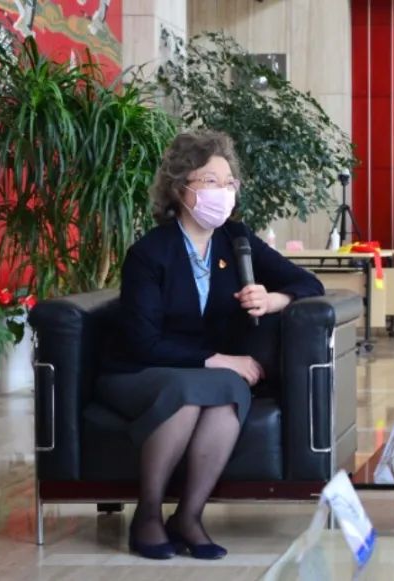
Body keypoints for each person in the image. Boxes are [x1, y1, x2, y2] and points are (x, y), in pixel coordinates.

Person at [98, 130, 324, 560]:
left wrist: (274, 299)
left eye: (228, 183)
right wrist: (218, 359)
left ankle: (189, 516)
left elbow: (307, 282)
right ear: (180, 188)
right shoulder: (150, 253)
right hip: (138, 369)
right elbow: (143, 342)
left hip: (210, 373)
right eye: (210, 182)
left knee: (227, 392)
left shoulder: (236, 241)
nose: (223, 192)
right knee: (193, 391)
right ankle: (148, 514)